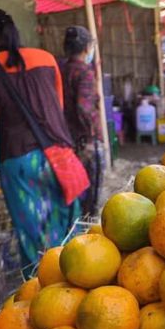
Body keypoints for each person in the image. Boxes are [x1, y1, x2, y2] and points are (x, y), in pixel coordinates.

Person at [0, 8, 80, 270]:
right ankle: (73, 279)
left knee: (33, 236)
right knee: (66, 230)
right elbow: (56, 108)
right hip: (59, 155)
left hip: (19, 162)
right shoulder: (46, 58)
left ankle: (42, 290)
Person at [60, 26, 104, 216]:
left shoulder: (61, 69)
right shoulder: (84, 72)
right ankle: (85, 233)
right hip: (85, 142)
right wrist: (93, 135)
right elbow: (84, 108)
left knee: (72, 192)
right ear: (87, 47)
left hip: (66, 140)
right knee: (90, 196)